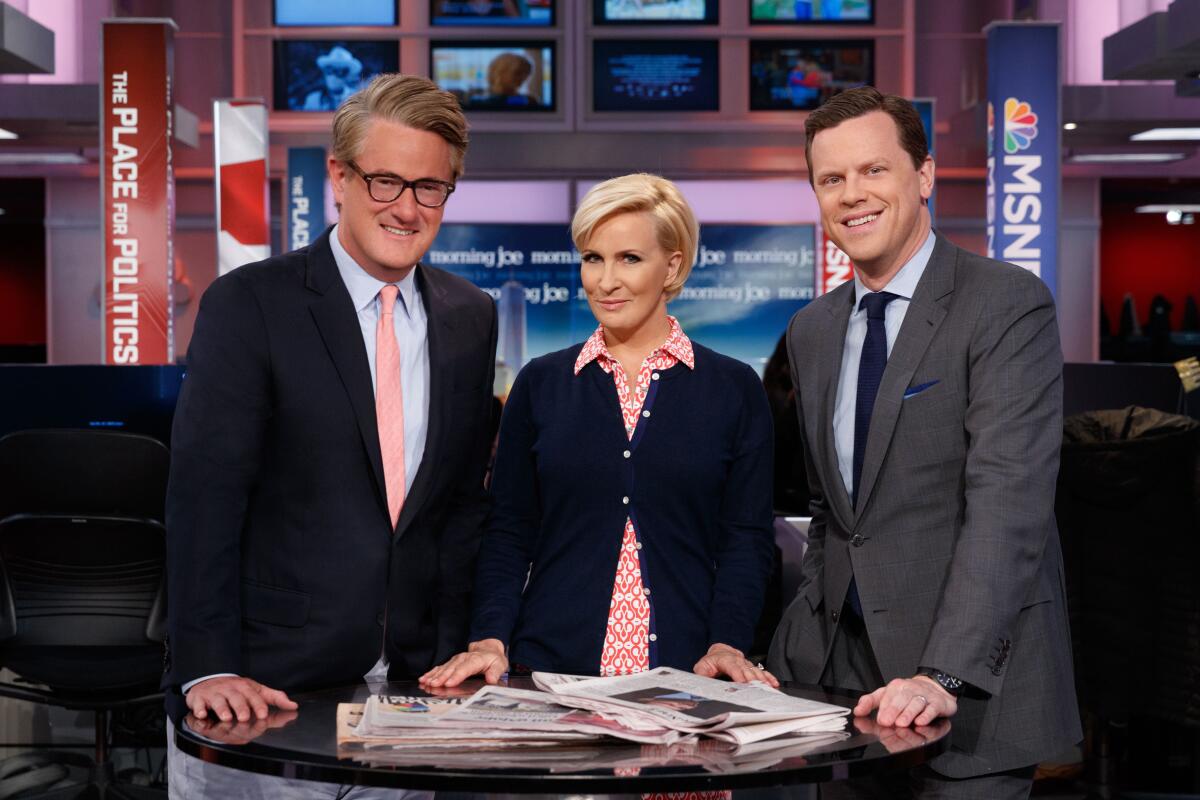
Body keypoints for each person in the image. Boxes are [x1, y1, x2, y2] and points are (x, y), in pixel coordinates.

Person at [164, 73, 497, 794]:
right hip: (265, 696)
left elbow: (462, 508)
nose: (407, 209)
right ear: (339, 179)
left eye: (430, 188)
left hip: (417, 698)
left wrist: (468, 647)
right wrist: (207, 664)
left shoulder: (471, 317)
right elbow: (205, 498)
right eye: (385, 181)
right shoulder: (250, 304)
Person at [767, 86, 1081, 799]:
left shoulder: (1004, 302)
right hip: (841, 700)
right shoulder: (812, 330)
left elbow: (1008, 504)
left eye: (874, 170)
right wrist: (799, 650)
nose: (852, 195)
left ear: (925, 175)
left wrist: (943, 674)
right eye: (831, 179)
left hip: (967, 702)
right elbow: (831, 513)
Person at [420, 173, 776, 689]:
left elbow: (745, 539)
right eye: (593, 258)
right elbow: (508, 530)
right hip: (549, 674)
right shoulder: (541, 383)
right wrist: (490, 638)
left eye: (629, 258)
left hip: (688, 676)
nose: (605, 281)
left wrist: (728, 642)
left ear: (672, 265)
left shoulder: (733, 388)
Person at [301, 45, 364, 111]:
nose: (333, 76)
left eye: (340, 72)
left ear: (348, 75)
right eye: (329, 70)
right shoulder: (313, 100)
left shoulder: (357, 99)